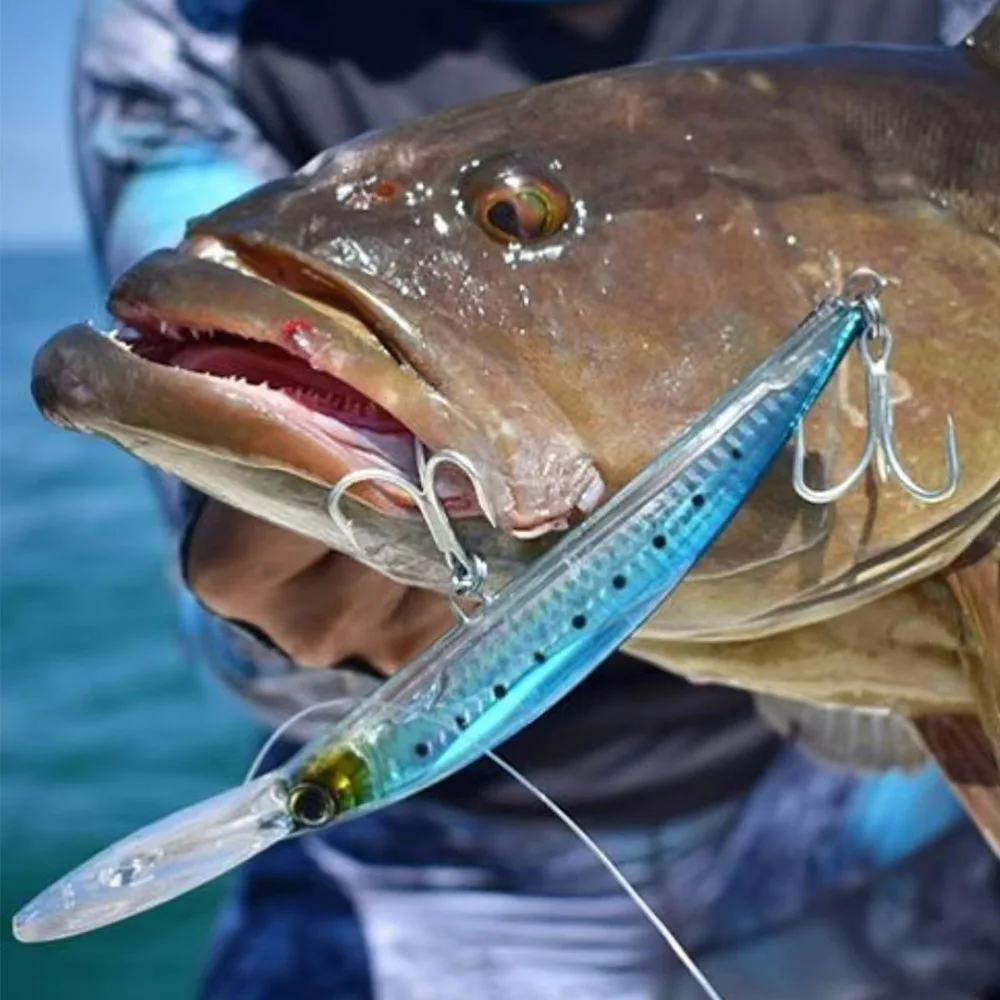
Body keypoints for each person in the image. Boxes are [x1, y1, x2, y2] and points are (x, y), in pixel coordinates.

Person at [74, 1, 1000, 998]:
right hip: (443, 855)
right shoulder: (202, 30)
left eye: (517, 219)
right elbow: (223, 570)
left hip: (878, 834)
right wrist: (280, 622)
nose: (514, 226)